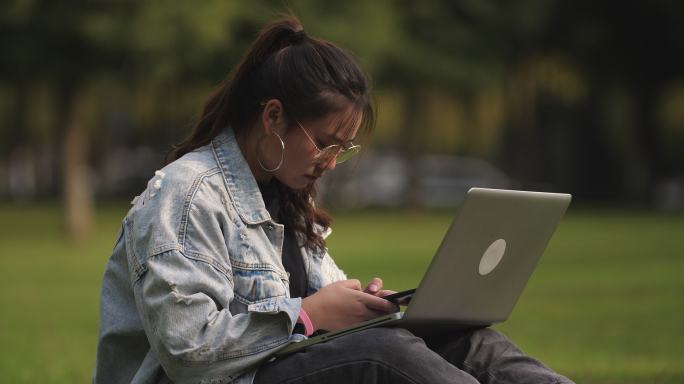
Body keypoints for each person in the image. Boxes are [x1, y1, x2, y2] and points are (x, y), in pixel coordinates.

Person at [94, 14, 575, 384]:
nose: (330, 161)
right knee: (384, 357)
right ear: (274, 117)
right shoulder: (185, 194)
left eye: (343, 149)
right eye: (325, 142)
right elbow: (187, 350)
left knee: (468, 343)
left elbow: (325, 307)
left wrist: (364, 305)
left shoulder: (285, 196)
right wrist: (309, 315)